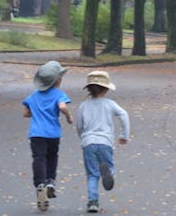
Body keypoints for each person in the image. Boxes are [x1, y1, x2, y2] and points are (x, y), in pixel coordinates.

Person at [76, 71, 131, 213]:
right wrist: (124, 135)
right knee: (108, 165)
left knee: (92, 174)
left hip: (88, 142)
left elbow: (79, 125)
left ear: (88, 89)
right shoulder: (110, 104)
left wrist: (83, 137)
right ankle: (109, 173)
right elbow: (124, 115)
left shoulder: (83, 106)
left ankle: (92, 202)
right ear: (106, 89)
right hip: (105, 142)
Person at [22, 61, 73, 212]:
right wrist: (69, 117)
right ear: (58, 81)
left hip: (36, 133)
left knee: (39, 158)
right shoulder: (59, 94)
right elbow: (62, 106)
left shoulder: (33, 96)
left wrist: (36, 113)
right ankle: (50, 181)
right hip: (53, 134)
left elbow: (25, 113)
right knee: (52, 157)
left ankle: (40, 185)